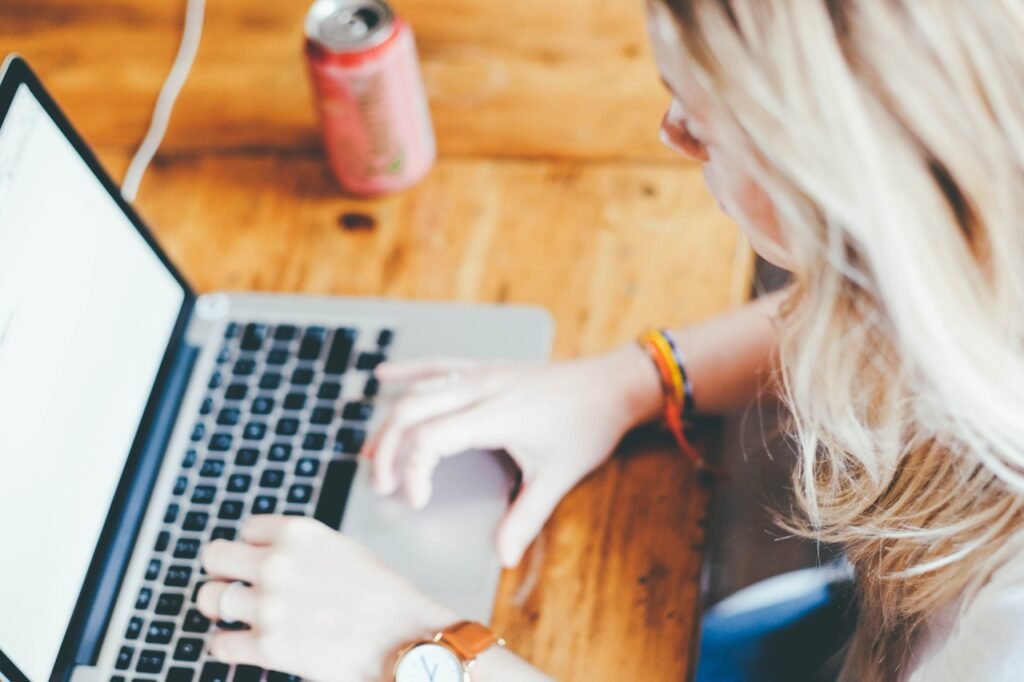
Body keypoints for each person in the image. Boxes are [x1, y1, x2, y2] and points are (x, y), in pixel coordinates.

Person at [195, 0, 1024, 680]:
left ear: (831, 191)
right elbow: (889, 303)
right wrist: (637, 379)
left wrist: (409, 650)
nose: (672, 135)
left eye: (701, 123)